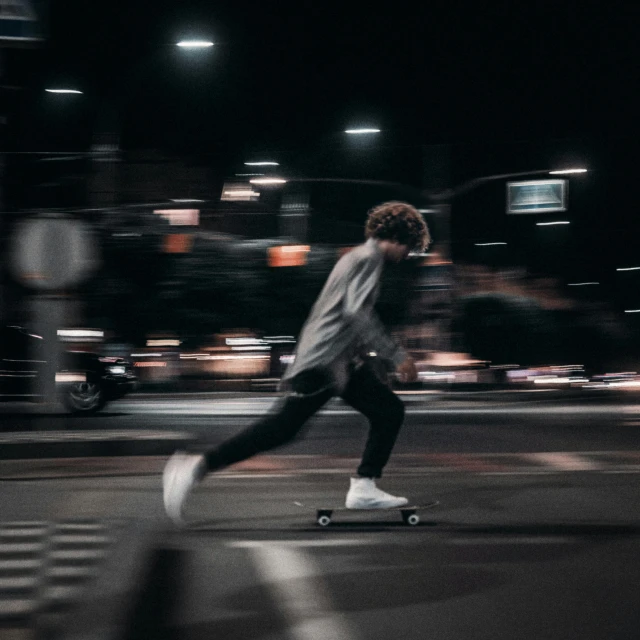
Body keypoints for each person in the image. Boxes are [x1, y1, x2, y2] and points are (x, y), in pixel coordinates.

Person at [163, 201, 431, 525]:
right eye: (410, 248)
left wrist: (364, 359)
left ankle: (364, 485)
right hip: (323, 365)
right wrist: (397, 356)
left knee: (387, 410)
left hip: (339, 365)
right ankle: (195, 468)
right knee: (279, 430)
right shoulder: (368, 259)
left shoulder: (357, 258)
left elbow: (342, 317)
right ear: (400, 237)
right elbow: (356, 313)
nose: (407, 256)